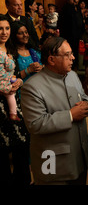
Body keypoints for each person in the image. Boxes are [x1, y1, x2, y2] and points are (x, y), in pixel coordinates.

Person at [20, 37, 88, 185]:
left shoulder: (71, 74)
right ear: (52, 60)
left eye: (72, 53)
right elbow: (35, 123)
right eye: (67, 55)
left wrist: (87, 104)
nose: (73, 58)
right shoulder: (32, 87)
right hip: (53, 163)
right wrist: (71, 115)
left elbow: (83, 96)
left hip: (79, 155)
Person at [0, 15, 30, 186]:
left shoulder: (11, 49)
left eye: (6, 28)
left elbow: (15, 75)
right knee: (2, 150)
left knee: (22, 144)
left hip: (14, 103)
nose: (4, 32)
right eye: (0, 28)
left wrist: (18, 81)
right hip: (0, 106)